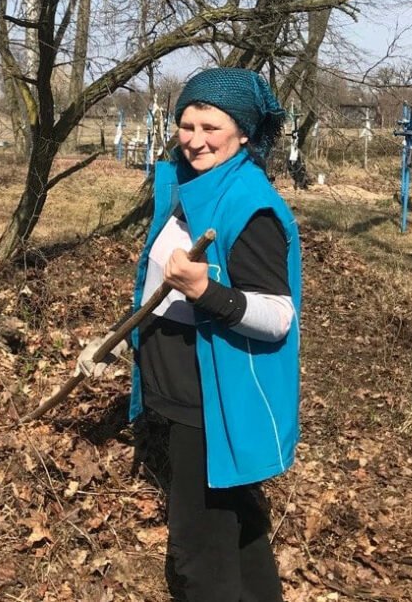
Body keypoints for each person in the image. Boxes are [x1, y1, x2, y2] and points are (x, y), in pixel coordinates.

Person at [76, 67, 300, 602]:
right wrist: (118, 341)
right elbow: (159, 288)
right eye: (187, 124)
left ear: (243, 133)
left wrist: (208, 292)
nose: (195, 139)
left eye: (211, 127)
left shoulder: (248, 205)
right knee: (238, 526)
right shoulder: (190, 185)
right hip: (180, 389)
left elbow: (277, 316)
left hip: (211, 399)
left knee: (199, 553)